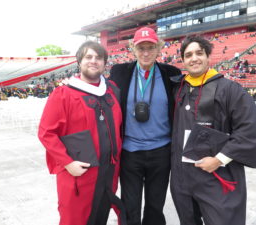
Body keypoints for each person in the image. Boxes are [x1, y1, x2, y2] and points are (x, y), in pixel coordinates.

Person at [170, 36, 256, 225]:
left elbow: (250, 131)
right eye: (188, 55)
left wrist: (219, 159)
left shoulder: (230, 90)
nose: (194, 58)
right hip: (183, 178)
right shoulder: (178, 89)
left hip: (216, 175)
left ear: (208, 56)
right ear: (183, 60)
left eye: (199, 53)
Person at [38, 41, 126, 225]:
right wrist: (68, 163)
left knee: (100, 216)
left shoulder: (112, 92)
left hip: (108, 174)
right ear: (79, 61)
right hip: (79, 175)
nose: (93, 61)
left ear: (104, 63)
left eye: (98, 57)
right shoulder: (63, 94)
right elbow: (47, 133)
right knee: (75, 219)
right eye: (88, 57)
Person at [109, 27, 185, 225]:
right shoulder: (119, 73)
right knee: (129, 204)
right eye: (141, 48)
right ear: (133, 49)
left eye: (150, 47)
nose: (145, 53)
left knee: (155, 205)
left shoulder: (172, 74)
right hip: (129, 152)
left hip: (161, 152)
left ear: (158, 48)